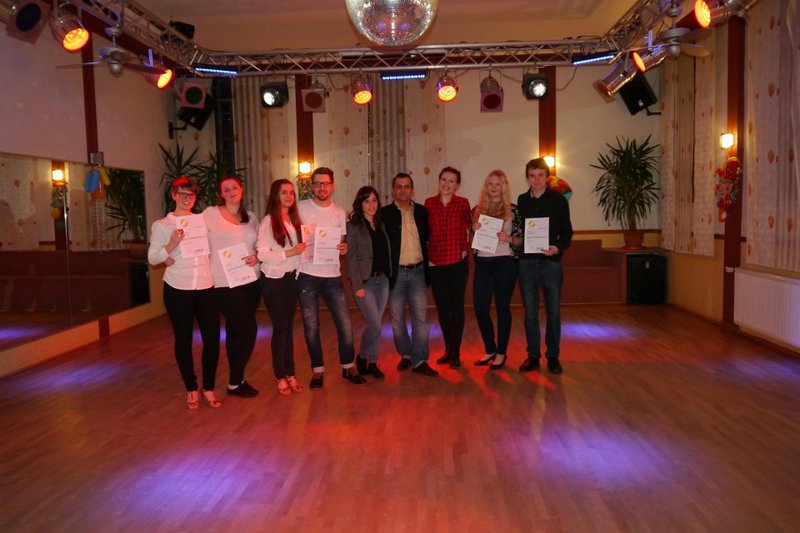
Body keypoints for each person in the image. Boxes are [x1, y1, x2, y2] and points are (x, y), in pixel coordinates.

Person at [148, 177, 222, 409]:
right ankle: (191, 387)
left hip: (205, 286)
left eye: (190, 194)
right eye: (182, 194)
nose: (186, 198)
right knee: (183, 339)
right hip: (177, 287)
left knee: (212, 338)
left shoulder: (203, 220)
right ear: (173, 195)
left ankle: (208, 387)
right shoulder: (162, 225)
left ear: (195, 197)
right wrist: (171, 245)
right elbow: (153, 258)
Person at [297, 167, 367, 388]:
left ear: (332, 185)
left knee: (345, 324)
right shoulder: (300, 208)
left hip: (332, 275)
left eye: (326, 183)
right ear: (311, 186)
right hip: (307, 274)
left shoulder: (339, 212)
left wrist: (343, 248)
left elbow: (341, 243)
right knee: (311, 327)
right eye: (318, 183)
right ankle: (317, 371)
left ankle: (348, 366)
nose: (322, 187)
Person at [203, 175, 262, 397]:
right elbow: (192, 236)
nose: (230, 192)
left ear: (241, 189)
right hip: (224, 283)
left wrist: (257, 256)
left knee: (236, 331)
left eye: (234, 187)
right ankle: (236, 380)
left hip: (251, 280)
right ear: (221, 193)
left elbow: (259, 245)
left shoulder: (251, 217)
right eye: (225, 189)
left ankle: (235, 381)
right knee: (248, 329)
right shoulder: (210, 214)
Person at [517, 158, 573, 375]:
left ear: (547, 176)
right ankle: (533, 356)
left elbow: (567, 232)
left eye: (540, 175)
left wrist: (557, 247)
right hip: (527, 264)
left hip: (551, 263)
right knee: (530, 314)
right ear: (527, 178)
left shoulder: (559, 200)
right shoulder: (522, 201)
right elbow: (519, 232)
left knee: (553, 313)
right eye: (532, 176)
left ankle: (553, 356)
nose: (536, 180)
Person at [380, 173, 438, 377]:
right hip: (396, 274)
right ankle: (406, 354)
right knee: (397, 320)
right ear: (393, 190)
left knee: (420, 318)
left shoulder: (422, 212)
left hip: (418, 272)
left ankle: (420, 359)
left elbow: (432, 238)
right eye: (399, 186)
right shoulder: (384, 214)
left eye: (407, 186)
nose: (403, 190)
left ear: (412, 190)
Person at [256, 179, 307, 395]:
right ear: (275, 196)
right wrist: (289, 253)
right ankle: (281, 375)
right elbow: (261, 253)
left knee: (287, 328)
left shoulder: (294, 220)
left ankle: (290, 372)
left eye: (291, 193)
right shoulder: (269, 221)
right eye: (284, 192)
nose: (288, 196)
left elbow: (301, 251)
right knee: (281, 328)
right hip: (274, 280)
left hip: (291, 280)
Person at [471, 170, 521, 370]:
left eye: (497, 184)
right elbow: (471, 241)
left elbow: (521, 240)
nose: (493, 187)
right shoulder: (476, 210)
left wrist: (508, 238)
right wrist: (473, 230)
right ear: (486, 186)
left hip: (504, 262)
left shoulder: (513, 210)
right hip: (483, 262)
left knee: (502, 308)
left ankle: (501, 352)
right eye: (490, 184)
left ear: (504, 187)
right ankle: (490, 349)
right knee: (480, 308)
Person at [424, 166, 471, 368]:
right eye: (444, 179)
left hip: (457, 263)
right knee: (443, 310)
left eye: (451, 181)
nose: (446, 184)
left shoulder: (463, 204)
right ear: (439, 180)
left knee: (457, 309)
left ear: (457, 185)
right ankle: (448, 349)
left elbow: (471, 227)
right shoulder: (429, 204)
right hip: (436, 264)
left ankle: (456, 352)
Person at [346, 186, 391, 379]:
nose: (371, 205)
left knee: (376, 324)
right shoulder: (353, 226)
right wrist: (357, 286)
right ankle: (363, 356)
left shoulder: (381, 224)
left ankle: (373, 362)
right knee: (376, 325)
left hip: (383, 281)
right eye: (366, 201)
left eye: (374, 200)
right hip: (365, 282)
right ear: (360, 204)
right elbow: (351, 258)